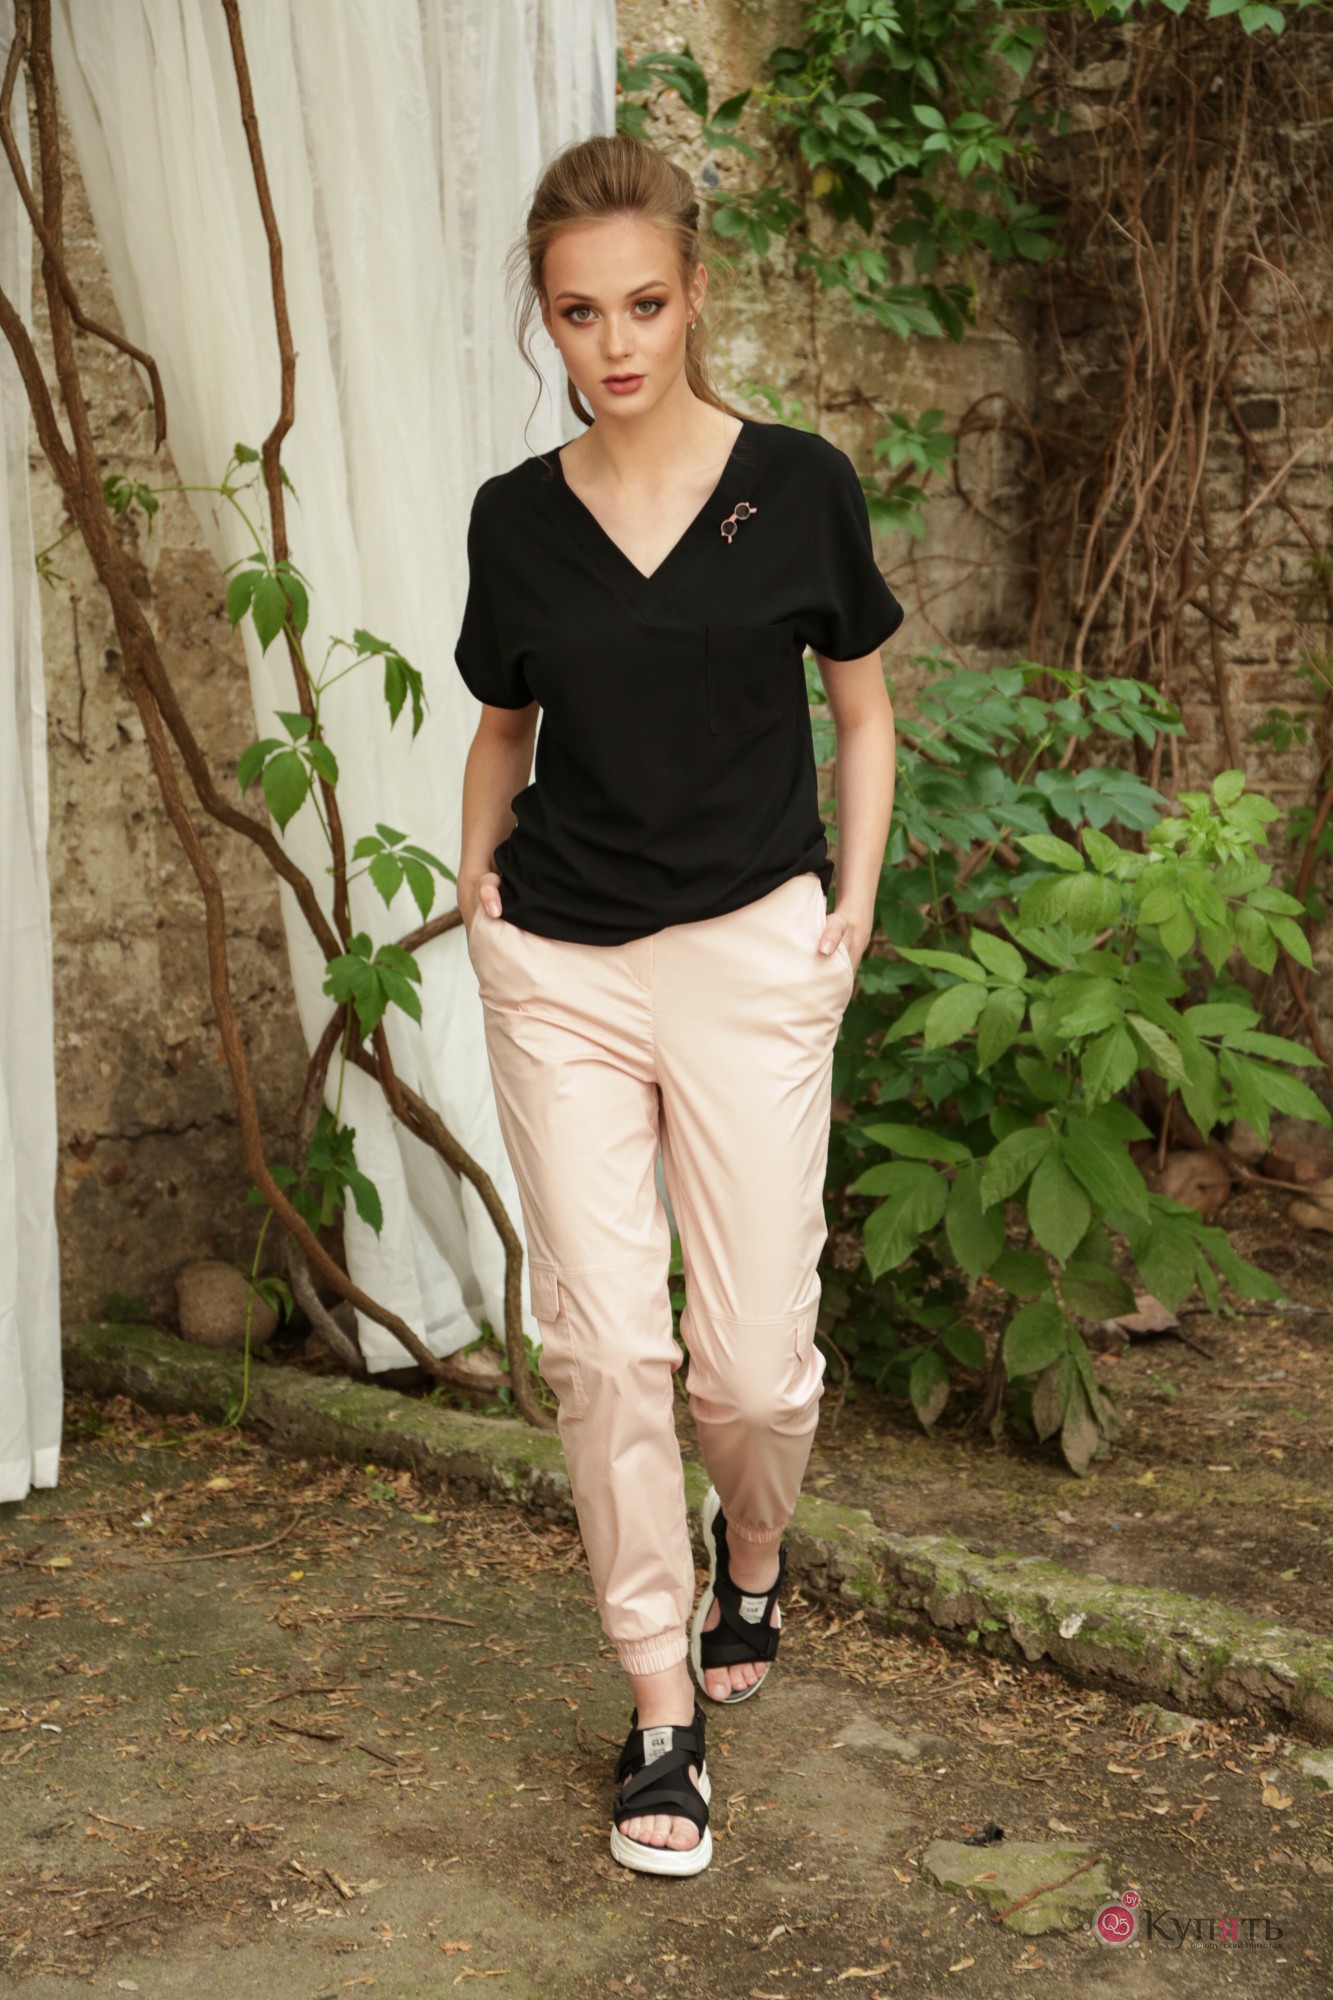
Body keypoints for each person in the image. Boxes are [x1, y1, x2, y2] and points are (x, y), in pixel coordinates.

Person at [452, 133, 903, 1878]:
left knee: (752, 1372)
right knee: (603, 1351)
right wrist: (479, 889)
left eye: (642, 304)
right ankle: (659, 1705)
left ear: (695, 294)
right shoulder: (514, 517)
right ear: (545, 320)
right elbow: (502, 726)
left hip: (748, 952)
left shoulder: (797, 485)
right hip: (562, 963)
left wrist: (847, 906)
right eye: (579, 314)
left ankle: (754, 1558)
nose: (614, 343)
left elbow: (860, 711)